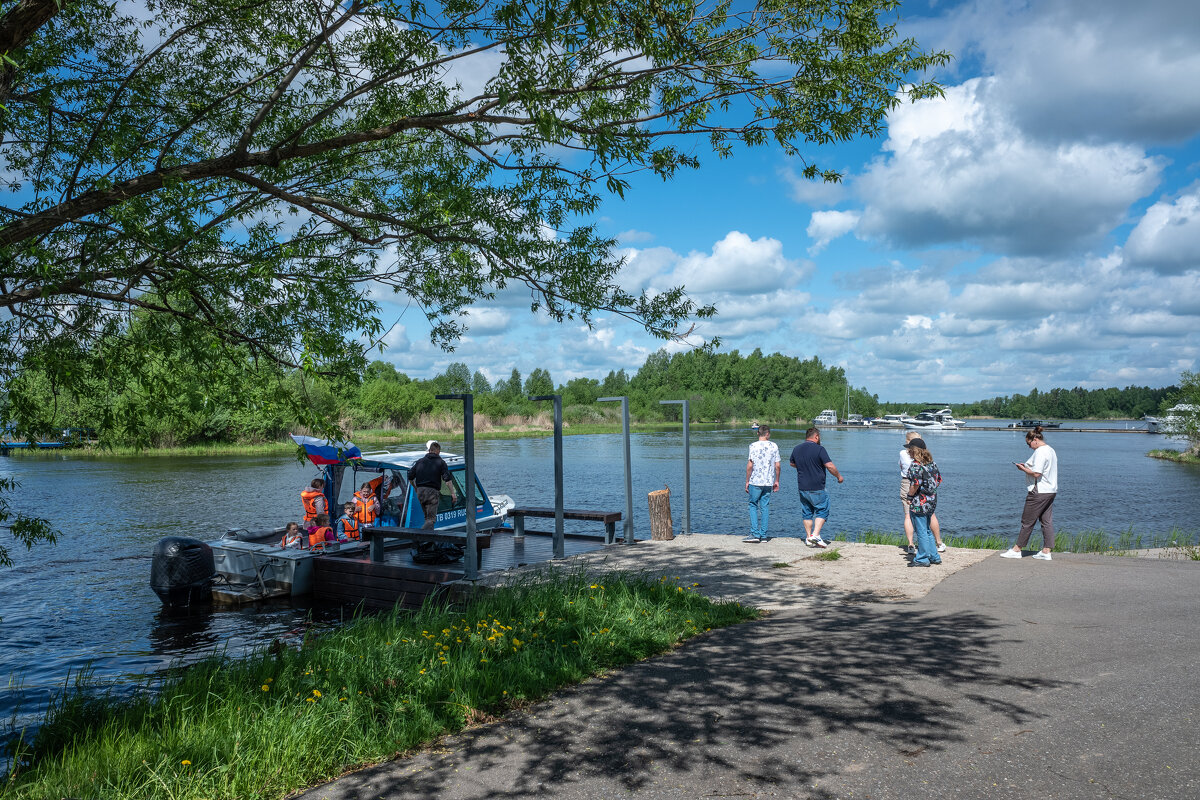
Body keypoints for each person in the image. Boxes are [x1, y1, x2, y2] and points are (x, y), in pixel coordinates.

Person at [1001, 426, 1058, 561]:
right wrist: (1027, 467)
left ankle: (1017, 549)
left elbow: (1037, 473)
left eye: (1029, 443)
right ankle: (1046, 551)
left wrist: (1022, 469)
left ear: (1035, 439)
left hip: (1039, 491)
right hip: (1050, 490)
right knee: (1046, 521)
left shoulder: (1040, 452)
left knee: (1027, 521)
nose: (1029, 446)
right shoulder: (1050, 450)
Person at [789, 427, 844, 547]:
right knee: (823, 509)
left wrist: (804, 467)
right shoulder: (820, 449)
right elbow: (829, 466)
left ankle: (809, 538)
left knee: (807, 511)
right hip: (817, 486)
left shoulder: (797, 448)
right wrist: (839, 476)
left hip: (802, 486)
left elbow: (792, 463)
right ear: (816, 437)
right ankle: (816, 535)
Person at [900, 431, 946, 555]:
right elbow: (939, 480)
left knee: (921, 531)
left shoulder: (915, 466)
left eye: (909, 450)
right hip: (932, 500)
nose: (908, 452)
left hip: (920, 502)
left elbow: (915, 484)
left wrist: (910, 496)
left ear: (914, 451)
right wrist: (930, 491)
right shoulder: (932, 463)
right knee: (927, 530)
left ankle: (922, 557)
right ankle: (934, 556)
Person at [407, 440, 458, 529]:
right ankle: (420, 537)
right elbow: (447, 480)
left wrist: (415, 488)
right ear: (438, 451)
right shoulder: (441, 462)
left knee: (427, 518)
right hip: (432, 492)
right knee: (431, 519)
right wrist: (453, 494)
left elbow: (410, 477)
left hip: (420, 491)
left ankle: (428, 540)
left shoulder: (420, 461)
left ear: (429, 450)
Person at [743, 424, 781, 543]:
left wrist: (747, 480)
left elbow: (750, 465)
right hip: (768, 482)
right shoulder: (774, 446)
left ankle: (755, 533)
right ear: (768, 434)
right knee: (765, 507)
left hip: (756, 481)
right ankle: (763, 535)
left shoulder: (753, 446)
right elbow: (777, 466)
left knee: (753, 505)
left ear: (758, 433)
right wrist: (777, 480)